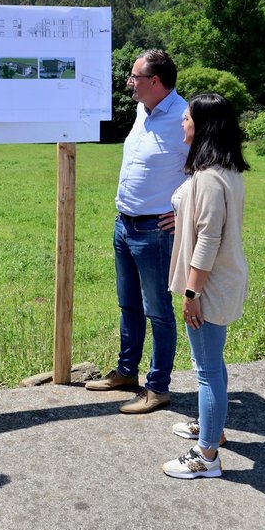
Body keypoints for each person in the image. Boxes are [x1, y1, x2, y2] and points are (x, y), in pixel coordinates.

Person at [85, 49, 189, 415]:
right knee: (128, 305)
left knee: (158, 311)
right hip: (125, 224)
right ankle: (127, 373)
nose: (129, 82)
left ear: (155, 81)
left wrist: (185, 213)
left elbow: (211, 169)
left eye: (135, 77)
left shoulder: (184, 117)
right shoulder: (143, 112)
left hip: (154, 231)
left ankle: (157, 387)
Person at [164, 93, 250, 479]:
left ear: (203, 127)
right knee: (210, 363)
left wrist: (191, 293)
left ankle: (207, 455)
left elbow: (208, 239)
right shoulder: (224, 172)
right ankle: (211, 425)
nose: (182, 124)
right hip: (218, 282)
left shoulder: (211, 178)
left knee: (207, 369)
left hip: (208, 287)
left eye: (186, 118)